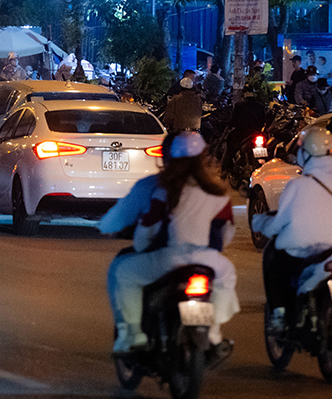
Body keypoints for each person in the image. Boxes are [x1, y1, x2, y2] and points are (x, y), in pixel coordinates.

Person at [102, 131, 238, 358]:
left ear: (168, 158)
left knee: (124, 272)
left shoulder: (163, 190)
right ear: (203, 158)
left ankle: (133, 335)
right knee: (227, 275)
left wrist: (142, 248)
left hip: (169, 259)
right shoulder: (218, 194)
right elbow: (226, 234)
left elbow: (146, 233)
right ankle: (213, 332)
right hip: (208, 261)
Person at [251, 125, 332, 340]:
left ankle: (279, 316)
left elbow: (279, 223)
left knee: (274, 264)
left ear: (304, 153)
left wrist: (261, 224)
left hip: (302, 252)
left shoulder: (297, 186)